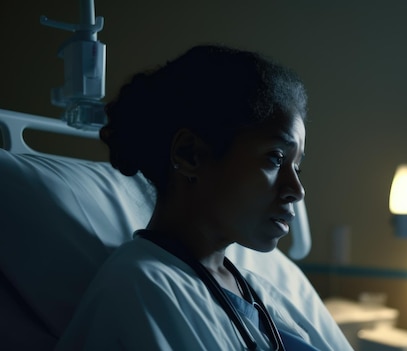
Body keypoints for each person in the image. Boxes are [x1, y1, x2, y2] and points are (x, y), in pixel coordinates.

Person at [55, 44, 353, 350]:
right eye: (276, 158)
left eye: (297, 167)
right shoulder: (140, 287)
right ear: (190, 154)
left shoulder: (260, 293)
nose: (297, 190)